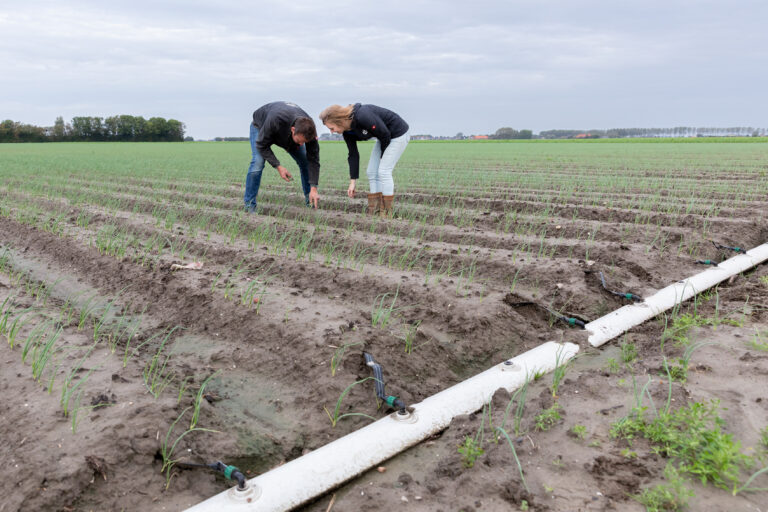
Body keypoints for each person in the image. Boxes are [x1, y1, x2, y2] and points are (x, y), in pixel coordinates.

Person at [319, 103, 409, 217]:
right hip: (384, 137)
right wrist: (353, 182)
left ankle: (387, 212)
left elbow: (385, 134)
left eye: (331, 128)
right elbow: (353, 154)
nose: (331, 132)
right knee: (371, 172)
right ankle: (376, 211)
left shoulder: (362, 116)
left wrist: (382, 156)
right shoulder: (347, 132)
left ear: (339, 121)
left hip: (397, 134)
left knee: (383, 171)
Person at [245, 101, 321, 211]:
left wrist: (313, 188)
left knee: (305, 161)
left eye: (304, 142)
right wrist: (278, 166)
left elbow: (313, 161)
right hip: (261, 127)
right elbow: (262, 145)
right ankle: (249, 206)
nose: (301, 145)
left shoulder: (310, 130)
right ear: (293, 130)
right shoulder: (275, 119)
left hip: (286, 134)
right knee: (258, 162)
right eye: (299, 141)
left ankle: (310, 201)